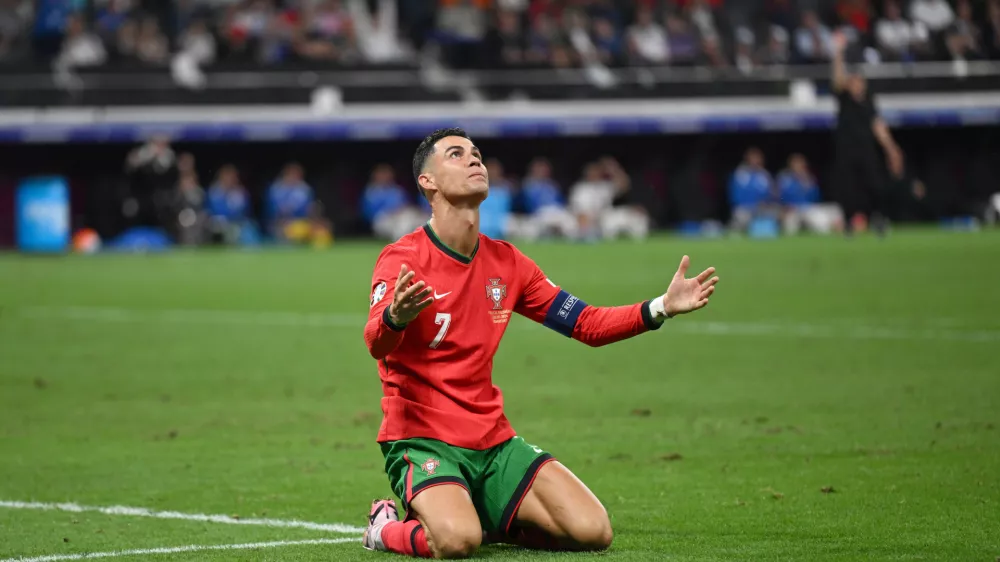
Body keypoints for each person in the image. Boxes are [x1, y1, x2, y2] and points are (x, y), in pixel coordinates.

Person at [361, 128, 719, 559]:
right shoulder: (403, 258)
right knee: (456, 542)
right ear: (428, 182)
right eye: (456, 155)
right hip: (421, 437)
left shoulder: (508, 263)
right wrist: (395, 317)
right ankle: (385, 529)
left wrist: (660, 306)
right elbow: (376, 342)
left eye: (477, 153)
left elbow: (586, 324)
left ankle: (479, 512)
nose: (475, 160)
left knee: (593, 532)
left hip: (491, 440)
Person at [830, 31, 904, 236]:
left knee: (874, 185)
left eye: (858, 81)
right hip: (846, 150)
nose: (856, 84)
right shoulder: (844, 99)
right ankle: (848, 224)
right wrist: (838, 52)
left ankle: (878, 219)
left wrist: (891, 148)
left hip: (866, 150)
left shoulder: (869, 100)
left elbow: (878, 125)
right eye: (852, 81)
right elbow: (837, 79)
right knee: (847, 189)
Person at [265, 163, 333, 248]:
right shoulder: (276, 190)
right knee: (287, 232)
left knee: (322, 230)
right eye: (292, 174)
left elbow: (310, 209)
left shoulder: (305, 189)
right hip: (283, 224)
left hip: (303, 222)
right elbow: (271, 211)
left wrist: (316, 219)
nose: (295, 177)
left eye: (297, 175)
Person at [777, 153, 844, 235]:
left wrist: (807, 184)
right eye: (796, 163)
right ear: (791, 165)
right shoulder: (785, 179)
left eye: (800, 163)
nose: (798, 166)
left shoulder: (809, 178)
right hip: (792, 209)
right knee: (790, 231)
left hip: (808, 208)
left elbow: (817, 197)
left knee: (825, 225)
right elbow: (781, 196)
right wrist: (785, 206)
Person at [361, 164, 429, 241]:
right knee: (403, 224)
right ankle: (402, 241)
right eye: (382, 174)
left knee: (413, 216)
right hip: (382, 221)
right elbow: (366, 213)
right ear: (375, 175)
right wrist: (390, 211)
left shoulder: (397, 190)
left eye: (387, 173)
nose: (385, 176)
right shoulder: (371, 192)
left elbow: (408, 205)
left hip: (401, 217)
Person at [728, 147, 776, 234]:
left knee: (776, 212)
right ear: (747, 159)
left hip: (762, 209)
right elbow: (735, 195)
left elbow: (771, 194)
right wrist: (751, 205)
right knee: (741, 218)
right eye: (753, 158)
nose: (755, 161)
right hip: (745, 208)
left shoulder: (765, 175)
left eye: (757, 158)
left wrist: (765, 202)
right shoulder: (740, 173)